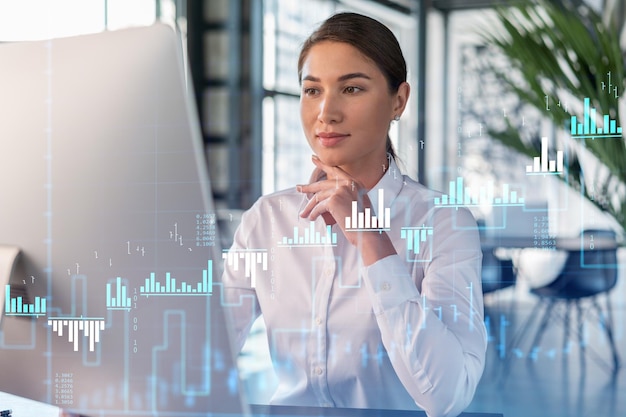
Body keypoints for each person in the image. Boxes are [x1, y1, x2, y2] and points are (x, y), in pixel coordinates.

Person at [222, 12, 486, 417]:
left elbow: (447, 395)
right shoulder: (266, 220)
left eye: (351, 88)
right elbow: (204, 354)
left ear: (398, 100)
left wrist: (369, 237)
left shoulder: (443, 223)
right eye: (312, 91)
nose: (326, 112)